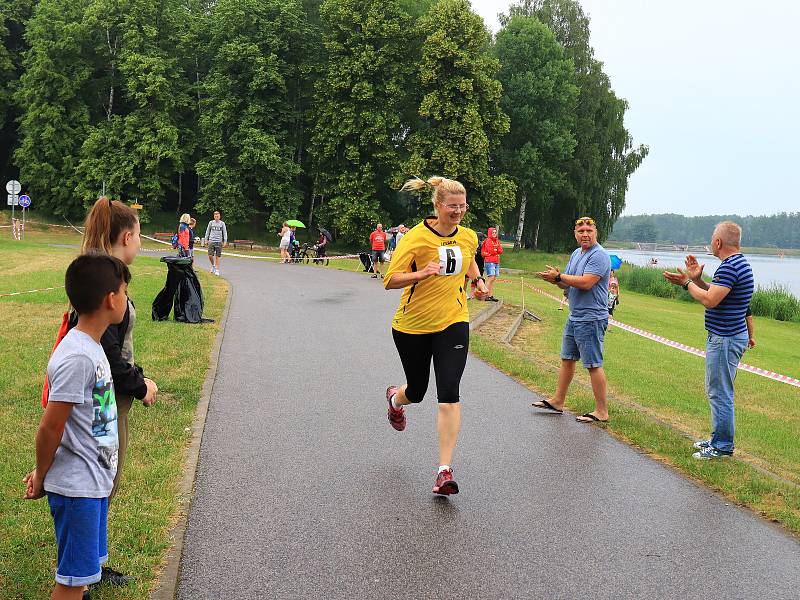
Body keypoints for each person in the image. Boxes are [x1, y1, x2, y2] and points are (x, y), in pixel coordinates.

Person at [24, 253, 132, 600]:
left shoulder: (92, 346)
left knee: (84, 575)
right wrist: (41, 475)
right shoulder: (77, 356)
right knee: (71, 583)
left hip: (93, 481)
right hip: (76, 488)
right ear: (111, 299)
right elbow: (50, 428)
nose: (127, 299)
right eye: (125, 292)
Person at [383, 176, 489, 496]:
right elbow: (390, 280)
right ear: (437, 205)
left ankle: (444, 471)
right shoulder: (415, 239)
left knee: (449, 393)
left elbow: (468, 259)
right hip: (412, 326)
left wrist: (479, 281)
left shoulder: (469, 236)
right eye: (452, 206)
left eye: (462, 206)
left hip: (453, 321)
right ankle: (394, 399)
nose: (458, 212)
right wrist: (421, 272)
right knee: (417, 391)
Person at [73, 197, 158, 587]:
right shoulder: (108, 282)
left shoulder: (99, 272)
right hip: (103, 399)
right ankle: (81, 575)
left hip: (106, 395)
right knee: (96, 484)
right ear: (127, 236)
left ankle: (94, 564)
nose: (140, 243)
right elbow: (107, 352)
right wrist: (140, 385)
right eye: (139, 236)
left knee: (104, 482)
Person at [663, 221, 754, 459]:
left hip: (724, 339)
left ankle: (722, 446)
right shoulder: (740, 263)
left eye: (712, 238)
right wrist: (696, 280)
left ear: (718, 242)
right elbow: (717, 293)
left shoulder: (728, 267)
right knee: (719, 390)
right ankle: (718, 439)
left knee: (719, 392)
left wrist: (685, 283)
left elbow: (710, 301)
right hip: (731, 336)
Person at [533, 216, 611, 423]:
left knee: (593, 364)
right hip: (575, 315)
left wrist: (560, 277)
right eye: (581, 231)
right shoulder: (577, 253)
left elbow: (586, 283)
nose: (585, 234)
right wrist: (555, 280)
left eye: (589, 230)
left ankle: (602, 412)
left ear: (596, 232)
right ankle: (558, 401)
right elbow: (567, 284)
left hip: (591, 318)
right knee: (567, 359)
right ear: (575, 234)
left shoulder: (600, 255)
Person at [481, 227, 503, 301]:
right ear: (490, 233)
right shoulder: (488, 240)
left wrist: (496, 250)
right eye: (493, 232)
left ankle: (490, 295)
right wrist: (495, 250)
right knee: (490, 278)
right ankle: (485, 295)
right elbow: (491, 251)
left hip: (496, 261)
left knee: (493, 279)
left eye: (495, 232)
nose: (494, 234)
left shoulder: (497, 241)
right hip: (490, 261)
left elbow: (500, 250)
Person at [204, 210, 228, 275]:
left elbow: (225, 232)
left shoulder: (222, 223)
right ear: (214, 216)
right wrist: (206, 239)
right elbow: (207, 231)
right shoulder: (211, 223)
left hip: (219, 242)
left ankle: (217, 269)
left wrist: (225, 241)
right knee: (210, 255)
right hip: (211, 241)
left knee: (218, 256)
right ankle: (213, 266)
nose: (216, 216)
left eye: (217, 215)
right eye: (215, 215)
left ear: (219, 216)